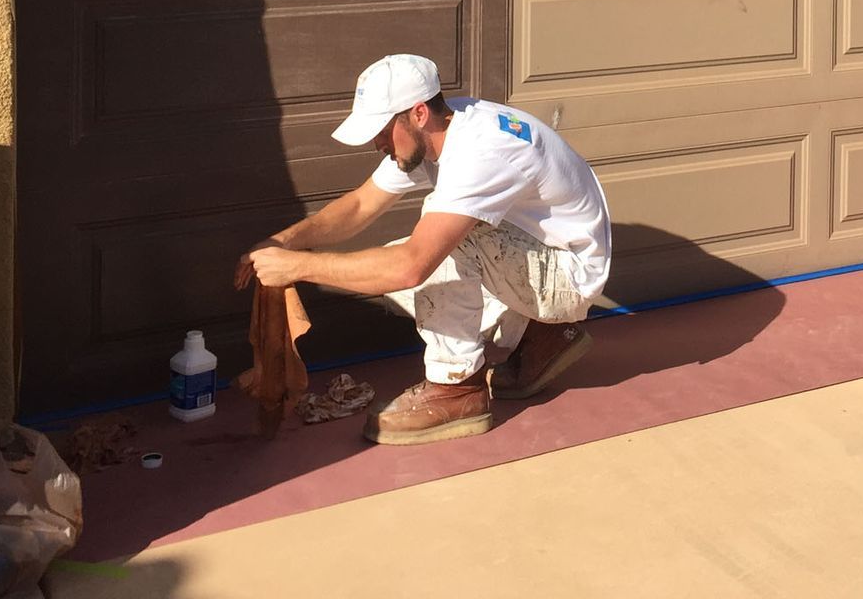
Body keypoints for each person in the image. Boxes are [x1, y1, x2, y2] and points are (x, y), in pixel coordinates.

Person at [238, 53, 611, 445]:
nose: (376, 143)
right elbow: (361, 205)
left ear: (417, 114)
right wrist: (285, 241)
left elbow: (412, 266)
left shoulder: (480, 152)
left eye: (381, 130)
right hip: (542, 252)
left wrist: (295, 268)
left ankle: (457, 388)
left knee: (436, 248)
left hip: (567, 276)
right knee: (405, 266)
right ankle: (542, 336)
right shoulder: (441, 129)